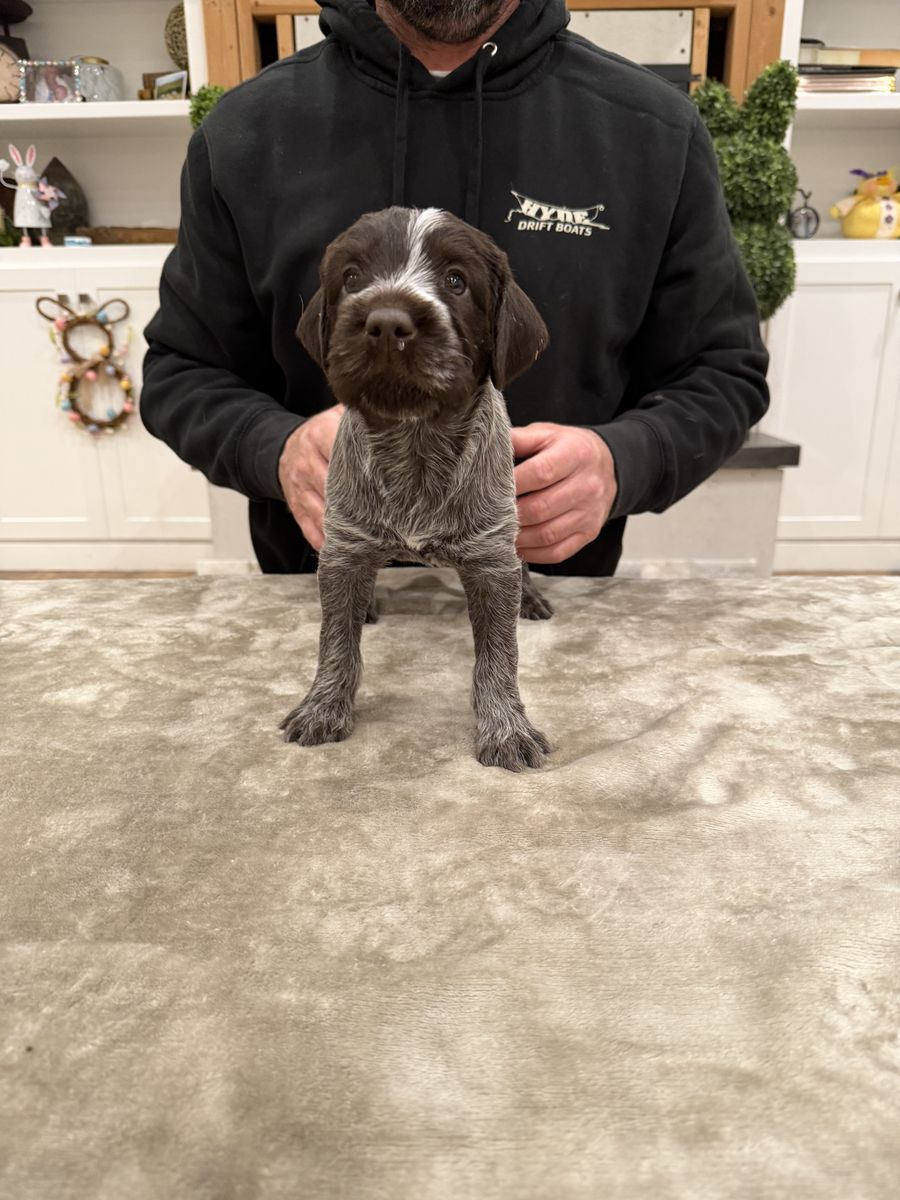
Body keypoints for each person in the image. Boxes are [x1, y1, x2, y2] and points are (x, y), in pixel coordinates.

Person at [140, 0, 769, 576]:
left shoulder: (652, 132)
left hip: (547, 617)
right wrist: (277, 450)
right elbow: (183, 372)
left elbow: (721, 372)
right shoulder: (246, 134)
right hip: (325, 609)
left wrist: (624, 461)